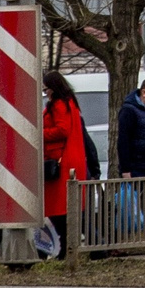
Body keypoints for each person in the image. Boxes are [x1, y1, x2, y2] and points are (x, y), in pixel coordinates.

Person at [41, 70, 86, 258]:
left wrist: (39, 134)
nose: (46, 93)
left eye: (46, 89)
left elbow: (62, 130)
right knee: (65, 208)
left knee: (57, 208)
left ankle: (66, 248)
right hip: (70, 160)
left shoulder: (59, 105)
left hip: (61, 162)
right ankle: (68, 248)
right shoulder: (70, 103)